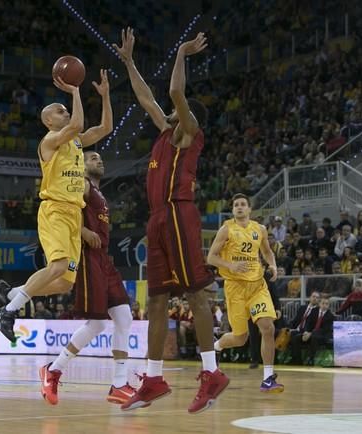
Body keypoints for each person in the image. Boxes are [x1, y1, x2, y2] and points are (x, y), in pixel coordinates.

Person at [113, 28, 228, 413]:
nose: (170, 113)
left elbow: (176, 93)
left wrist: (180, 52)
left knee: (195, 292)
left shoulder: (188, 133)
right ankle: (154, 376)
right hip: (157, 219)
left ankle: (212, 373)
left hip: (179, 212)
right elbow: (146, 97)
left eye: (177, 113)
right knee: (158, 300)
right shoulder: (165, 131)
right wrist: (129, 62)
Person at [0, 69, 113, 342]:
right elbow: (77, 125)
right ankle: (9, 311)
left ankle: (8, 293)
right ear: (48, 121)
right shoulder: (50, 141)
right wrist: (76, 91)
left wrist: (105, 97)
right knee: (57, 266)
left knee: (64, 282)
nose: (65, 112)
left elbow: (105, 128)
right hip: (55, 209)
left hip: (73, 212)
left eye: (64, 109)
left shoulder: (77, 142)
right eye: (59, 111)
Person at [40, 152, 134, 406]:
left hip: (104, 259)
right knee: (97, 324)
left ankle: (119, 383)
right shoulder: (81, 184)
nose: (99, 160)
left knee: (124, 317)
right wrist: (81, 230)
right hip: (88, 257)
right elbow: (63, 210)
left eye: (101, 158)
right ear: (82, 165)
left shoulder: (99, 193)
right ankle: (54, 370)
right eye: (93, 158)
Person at [207, 194, 283, 392]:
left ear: (249, 209)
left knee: (267, 327)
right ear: (233, 210)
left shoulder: (260, 229)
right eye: (236, 205)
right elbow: (211, 258)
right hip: (235, 288)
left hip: (257, 286)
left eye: (243, 205)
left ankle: (268, 378)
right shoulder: (226, 229)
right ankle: (217, 347)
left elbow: (267, 252)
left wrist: (273, 265)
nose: (239, 207)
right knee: (240, 338)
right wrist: (231, 265)